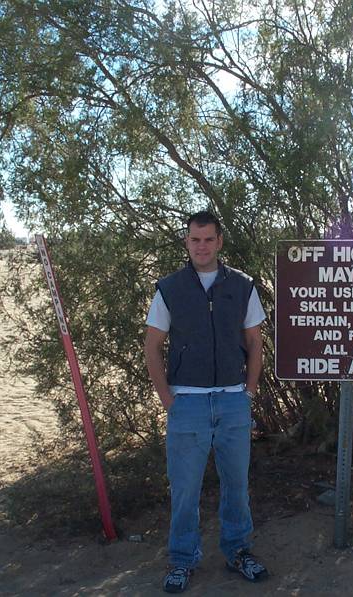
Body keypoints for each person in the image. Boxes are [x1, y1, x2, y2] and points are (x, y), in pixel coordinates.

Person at [144, 210, 269, 594]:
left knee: (237, 485)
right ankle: (182, 560)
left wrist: (248, 393)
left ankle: (239, 551)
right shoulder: (170, 288)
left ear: (219, 242)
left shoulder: (242, 286)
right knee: (185, 489)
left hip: (233, 401)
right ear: (187, 242)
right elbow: (152, 347)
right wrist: (169, 400)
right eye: (195, 239)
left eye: (209, 239)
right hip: (188, 405)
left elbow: (255, 342)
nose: (202, 246)